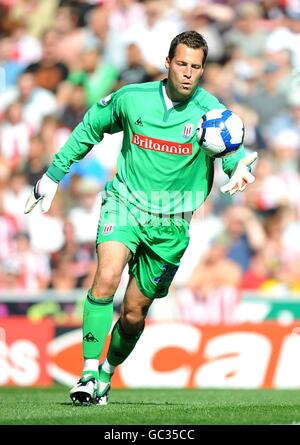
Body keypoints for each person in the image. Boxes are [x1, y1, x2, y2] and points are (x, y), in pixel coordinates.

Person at [24, 31, 257, 405]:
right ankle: (85, 372)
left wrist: (238, 169)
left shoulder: (211, 111)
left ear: (202, 70)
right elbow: (89, 127)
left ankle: (104, 374)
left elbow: (231, 149)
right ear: (167, 63)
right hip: (126, 203)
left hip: (173, 222)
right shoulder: (133, 98)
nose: (187, 73)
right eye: (181, 64)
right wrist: (54, 175)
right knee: (106, 276)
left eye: (195, 67)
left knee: (133, 314)